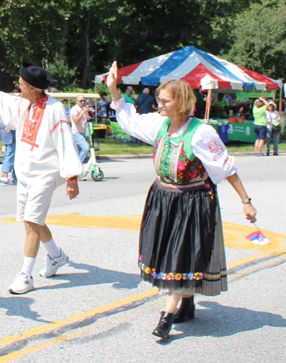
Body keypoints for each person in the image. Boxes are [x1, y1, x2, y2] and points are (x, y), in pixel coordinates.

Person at [106, 61, 257, 340]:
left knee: (180, 256)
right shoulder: (159, 125)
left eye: (164, 100)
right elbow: (131, 119)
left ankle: (166, 316)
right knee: (170, 255)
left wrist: (246, 201)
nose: (158, 104)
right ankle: (186, 301)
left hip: (192, 203)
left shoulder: (201, 133)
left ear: (181, 103)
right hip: (163, 199)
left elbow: (226, 169)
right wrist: (114, 89)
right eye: (159, 99)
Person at [0, 63, 82, 294]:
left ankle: (25, 275)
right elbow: (4, 100)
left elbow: (66, 142)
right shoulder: (26, 103)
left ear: (33, 88)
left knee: (32, 222)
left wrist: (72, 178)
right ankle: (56, 256)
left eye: (21, 85)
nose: (18, 88)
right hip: (25, 172)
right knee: (31, 219)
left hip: (45, 173)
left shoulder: (55, 110)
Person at [70, 95, 91, 162]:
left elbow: (84, 119)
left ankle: (74, 167)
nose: (83, 102)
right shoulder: (75, 109)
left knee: (78, 152)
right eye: (81, 101)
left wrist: (87, 117)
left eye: (84, 101)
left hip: (82, 132)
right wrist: (83, 113)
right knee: (85, 148)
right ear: (77, 101)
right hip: (76, 132)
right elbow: (75, 120)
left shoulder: (83, 109)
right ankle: (78, 164)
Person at [0, 120, 17, 186]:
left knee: (7, 156)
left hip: (5, 134)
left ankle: (2, 177)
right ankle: (5, 178)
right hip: (10, 135)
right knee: (10, 156)